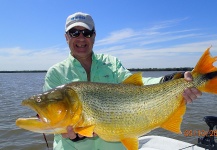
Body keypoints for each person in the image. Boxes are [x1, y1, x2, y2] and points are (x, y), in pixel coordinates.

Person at [43, 12, 202, 150]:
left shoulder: (111, 64)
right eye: (74, 33)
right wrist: (73, 135)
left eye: (87, 33)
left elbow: (138, 87)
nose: (81, 38)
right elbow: (54, 120)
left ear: (94, 36)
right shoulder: (55, 73)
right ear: (66, 37)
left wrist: (168, 80)